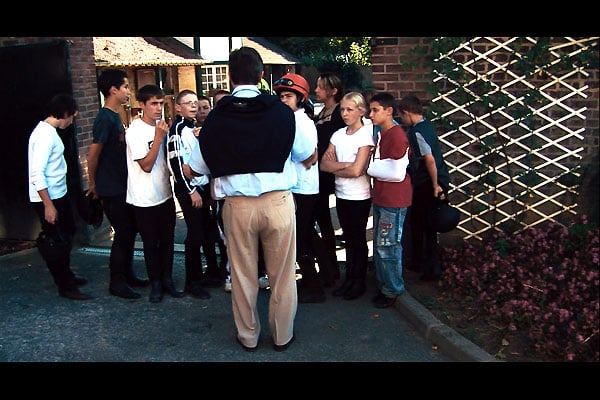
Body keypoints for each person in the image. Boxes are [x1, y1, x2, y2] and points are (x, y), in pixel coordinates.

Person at [197, 46, 314, 352]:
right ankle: (282, 335)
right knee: (283, 275)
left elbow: (198, 164)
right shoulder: (282, 112)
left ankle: (248, 336)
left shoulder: (216, 117)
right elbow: (303, 153)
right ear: (262, 75)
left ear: (230, 76)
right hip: (277, 202)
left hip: (238, 206)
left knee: (243, 274)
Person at [87, 68, 148, 300]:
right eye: (125, 87)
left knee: (129, 231)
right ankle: (117, 281)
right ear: (113, 90)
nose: (128, 92)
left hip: (122, 186)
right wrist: (94, 185)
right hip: (111, 189)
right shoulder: (105, 118)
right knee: (123, 233)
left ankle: (128, 274)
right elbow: (93, 156)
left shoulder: (115, 116)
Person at [28, 93, 91, 300]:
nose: (72, 121)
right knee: (57, 241)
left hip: (58, 194)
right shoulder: (45, 135)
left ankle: (67, 276)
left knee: (66, 234)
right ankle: (65, 285)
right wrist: (48, 205)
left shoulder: (48, 132)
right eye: (72, 117)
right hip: (50, 197)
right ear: (64, 114)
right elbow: (37, 172)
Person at [125, 84, 183, 303]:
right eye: (153, 104)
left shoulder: (163, 126)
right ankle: (155, 283)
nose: (158, 108)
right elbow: (146, 165)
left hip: (165, 194)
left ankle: (167, 280)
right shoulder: (135, 131)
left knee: (168, 240)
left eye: (161, 103)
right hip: (143, 197)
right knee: (151, 242)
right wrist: (159, 138)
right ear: (142, 105)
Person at [320, 91, 374, 300]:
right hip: (342, 194)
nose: (344, 113)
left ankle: (358, 281)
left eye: (350, 109)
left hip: (359, 196)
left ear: (361, 111)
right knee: (349, 239)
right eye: (342, 109)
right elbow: (324, 164)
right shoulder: (338, 135)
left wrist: (338, 167)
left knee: (357, 239)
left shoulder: (365, 135)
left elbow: (357, 171)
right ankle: (349, 279)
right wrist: (344, 165)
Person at [273, 73, 322, 303]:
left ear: (300, 98)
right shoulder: (290, 120)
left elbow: (308, 157)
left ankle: (314, 287)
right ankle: (320, 278)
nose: (284, 100)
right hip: (297, 186)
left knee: (299, 238)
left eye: (289, 96)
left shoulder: (301, 122)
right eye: (281, 96)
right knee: (306, 236)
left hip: (302, 188)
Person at [397, 94, 451, 282]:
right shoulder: (428, 126)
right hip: (438, 180)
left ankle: (427, 266)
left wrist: (435, 185)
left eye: (402, 116)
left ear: (407, 113)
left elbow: (429, 159)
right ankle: (428, 265)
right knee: (430, 228)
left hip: (428, 184)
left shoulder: (416, 132)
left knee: (422, 226)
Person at [165, 89, 212, 300]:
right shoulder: (175, 130)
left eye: (195, 102)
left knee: (203, 232)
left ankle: (201, 278)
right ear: (177, 107)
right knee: (195, 235)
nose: (193, 106)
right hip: (189, 190)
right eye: (188, 103)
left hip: (201, 186)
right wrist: (191, 191)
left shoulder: (193, 128)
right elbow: (176, 165)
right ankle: (192, 282)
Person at [367, 92, 412, 308]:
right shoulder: (382, 134)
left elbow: (396, 172)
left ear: (389, 111)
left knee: (388, 245)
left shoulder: (396, 136)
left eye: (375, 110)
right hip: (383, 197)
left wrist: (369, 168)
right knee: (382, 244)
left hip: (394, 200)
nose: (371, 114)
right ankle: (386, 286)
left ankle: (392, 290)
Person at [312, 72, 346, 287]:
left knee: (332, 221)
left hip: (333, 174)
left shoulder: (339, 114)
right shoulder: (321, 112)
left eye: (321, 87)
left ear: (333, 91)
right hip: (318, 174)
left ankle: (334, 268)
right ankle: (329, 266)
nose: (316, 91)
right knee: (322, 220)